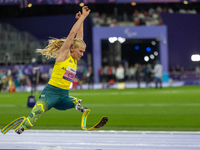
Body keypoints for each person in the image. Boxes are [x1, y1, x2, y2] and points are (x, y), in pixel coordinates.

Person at [14, 6, 91, 134]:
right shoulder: (64, 54)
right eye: (81, 51)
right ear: (72, 49)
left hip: (63, 96)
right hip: (50, 94)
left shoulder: (74, 58)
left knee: (75, 101)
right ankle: (22, 126)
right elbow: (72, 36)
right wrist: (83, 17)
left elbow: (79, 39)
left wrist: (81, 22)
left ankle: (76, 105)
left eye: (83, 52)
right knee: (34, 117)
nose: (82, 54)